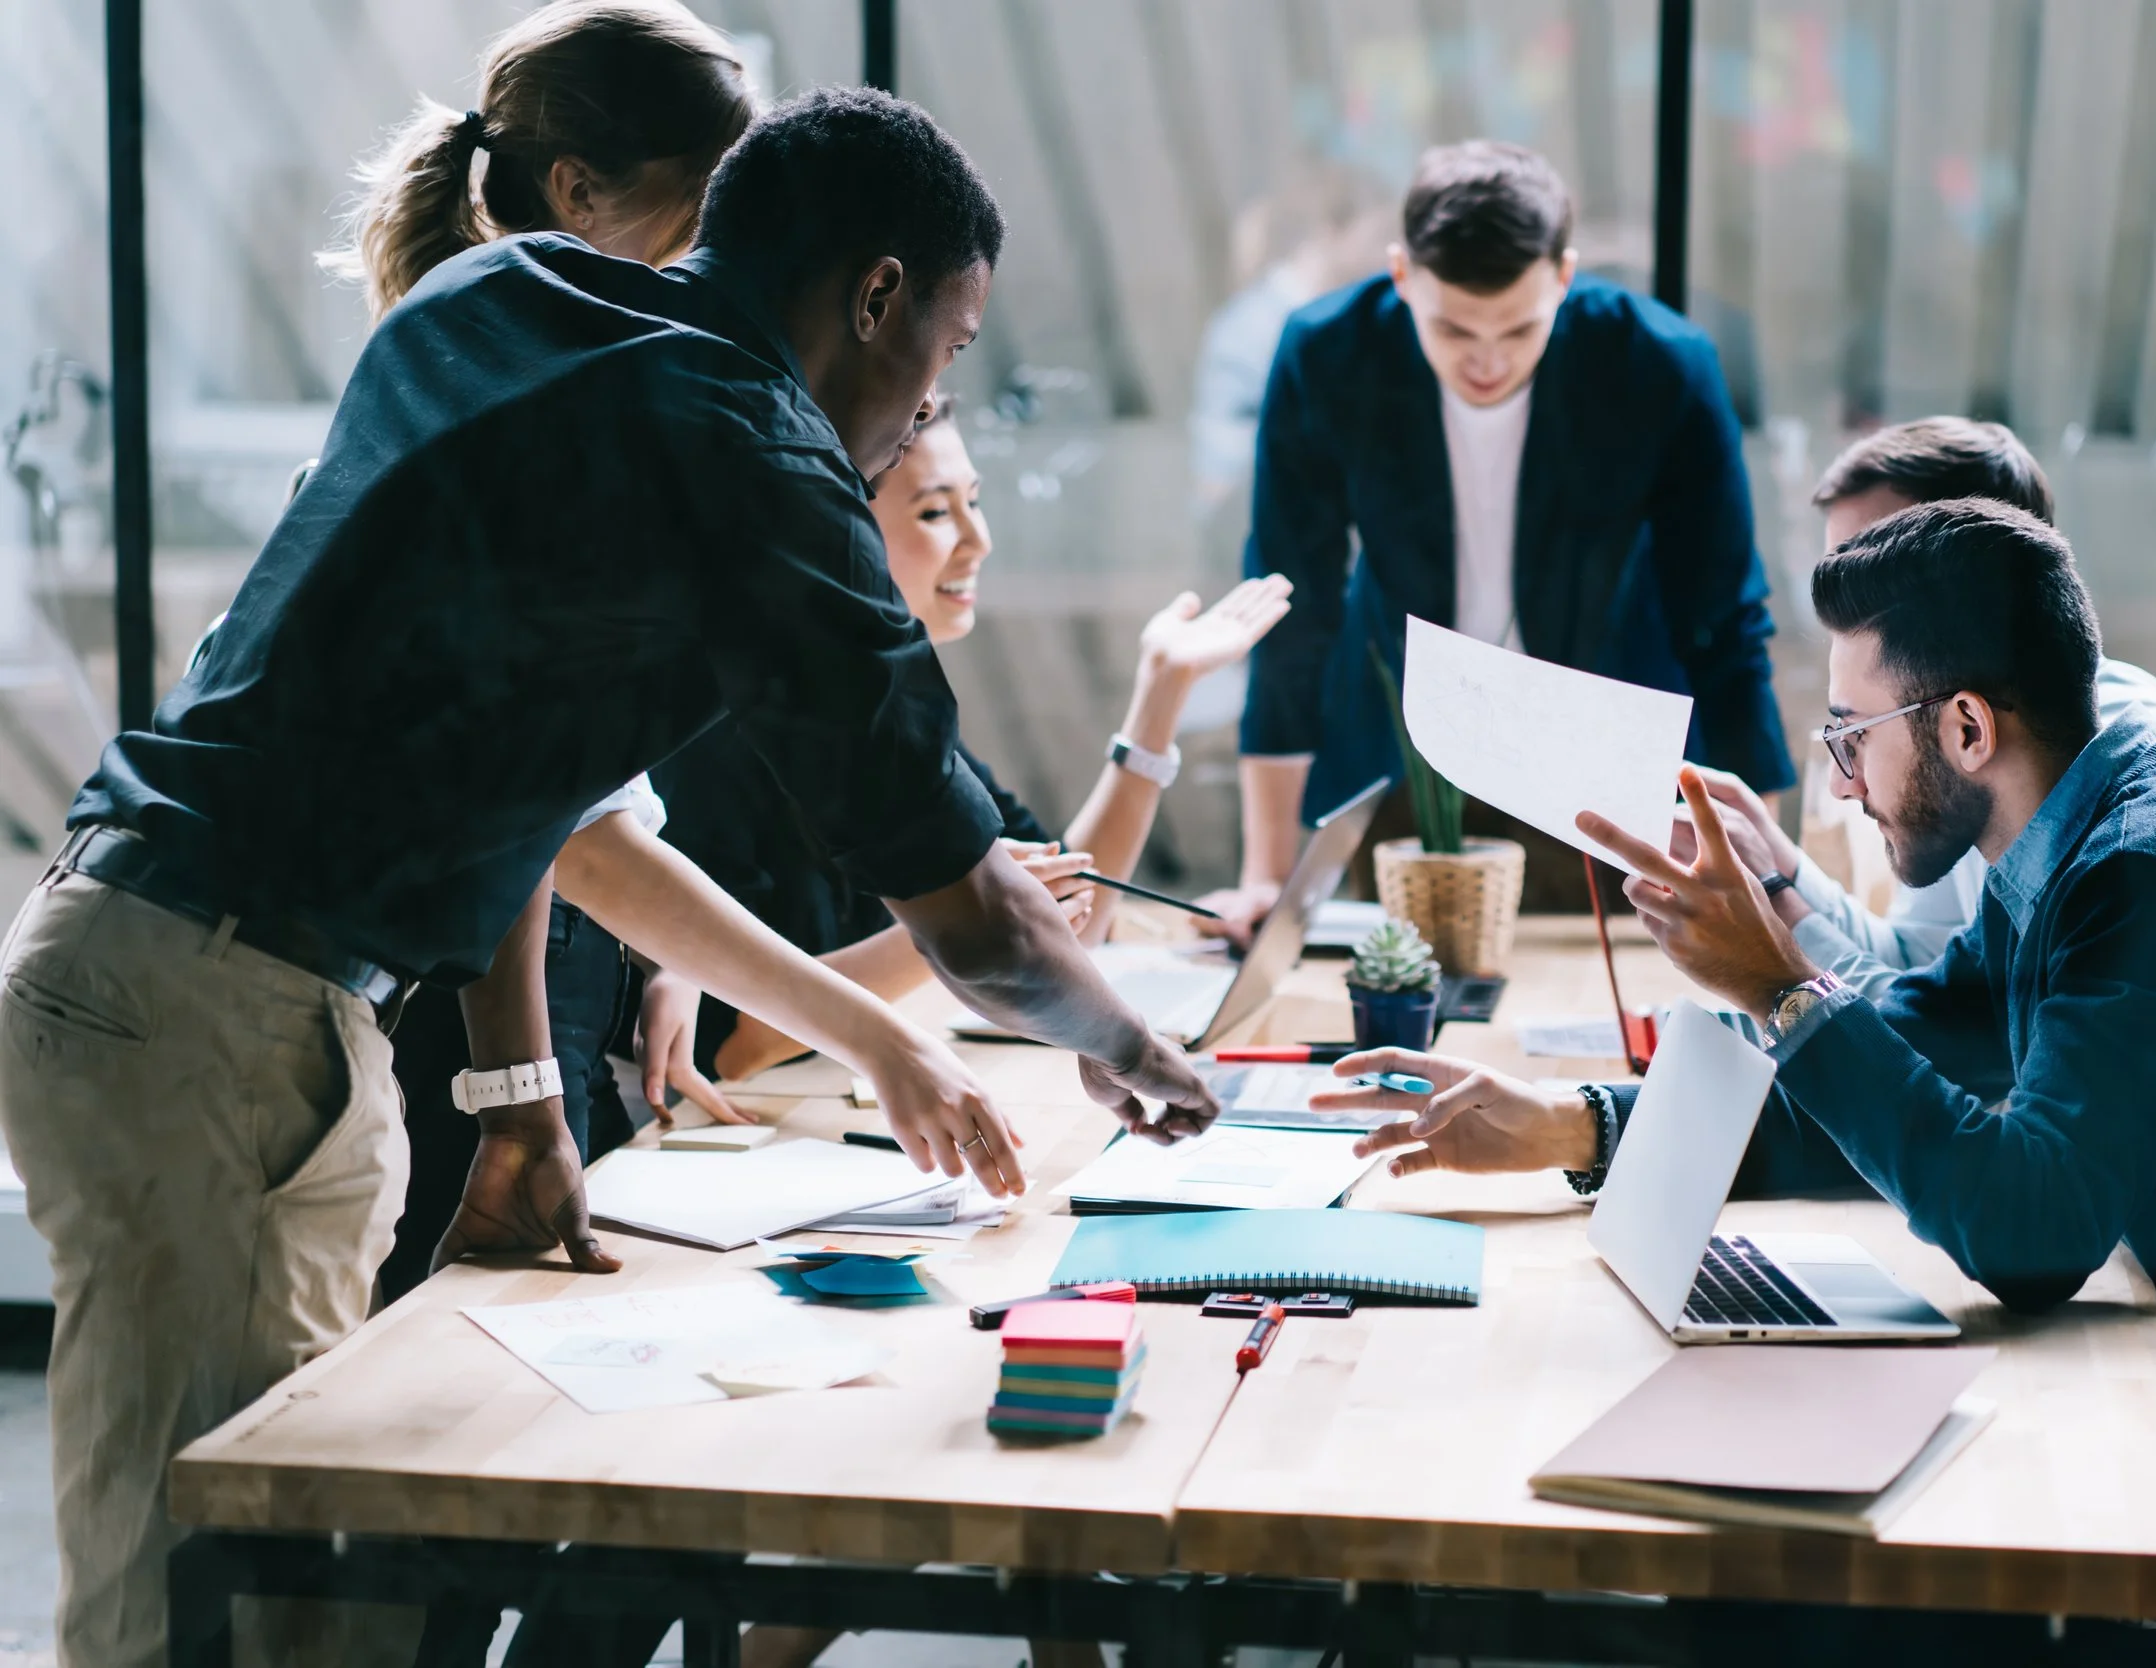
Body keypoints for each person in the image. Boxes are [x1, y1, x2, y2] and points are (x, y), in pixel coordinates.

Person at [0, 85, 1215, 1668]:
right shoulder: (748, 452)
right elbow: (969, 908)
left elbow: (555, 811)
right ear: (877, 296)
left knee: (295, 1590)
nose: (929, 407)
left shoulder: (500, 295)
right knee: (227, 1610)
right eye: (949, 353)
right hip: (223, 1013)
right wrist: (1137, 1055)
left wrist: (522, 1097)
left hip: (159, 959)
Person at [1328, 500, 2156, 1665]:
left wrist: (1782, 989)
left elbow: (2028, 1233)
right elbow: (1921, 1042)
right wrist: (1579, 1123)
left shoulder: (2150, 874)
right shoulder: (2070, 833)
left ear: (1965, 727)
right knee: (1747, 1569)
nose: (1844, 782)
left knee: (1769, 1595)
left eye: (1851, 735)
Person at [303, 0, 767, 1310]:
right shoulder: (494, 422)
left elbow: (559, 795)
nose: (718, 261)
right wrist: (890, 1043)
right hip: (419, 1009)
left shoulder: (502, 387)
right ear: (577, 190)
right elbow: (553, 819)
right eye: (708, 210)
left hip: (508, 1006)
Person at [1214, 139, 1793, 926]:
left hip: (1607, 765)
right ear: (1401, 275)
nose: (1486, 362)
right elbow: (1291, 612)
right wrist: (1266, 877)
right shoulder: (1326, 355)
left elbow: (1724, 620)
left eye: (1519, 332)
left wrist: (1770, 886)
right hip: (1401, 766)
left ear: (1563, 277)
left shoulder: (1659, 364)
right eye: (1453, 331)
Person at [648, 393, 1294, 1087]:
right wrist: (955, 928)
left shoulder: (891, 718)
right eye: (933, 511)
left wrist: (1160, 692)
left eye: (973, 502)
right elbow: (729, 1046)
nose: (978, 540)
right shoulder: (717, 738)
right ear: (830, 533)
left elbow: (1069, 919)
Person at [1686, 416, 2156, 999]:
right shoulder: (1968, 777)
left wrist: (1773, 934)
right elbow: (1927, 982)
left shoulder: (2089, 804)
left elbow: (1954, 1058)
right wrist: (1777, 863)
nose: (1849, 610)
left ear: (1973, 555)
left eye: (1879, 566)